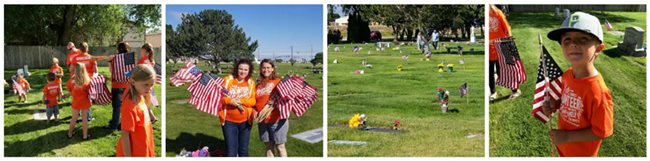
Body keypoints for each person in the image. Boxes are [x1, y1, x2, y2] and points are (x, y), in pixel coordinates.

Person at [542, 12, 613, 157]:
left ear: (599, 48)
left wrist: (567, 137)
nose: (573, 44)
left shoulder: (598, 91)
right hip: (564, 148)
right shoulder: (567, 75)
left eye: (583, 39)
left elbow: (601, 131)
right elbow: (567, 98)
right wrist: (555, 104)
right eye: (567, 39)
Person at [116, 64, 157, 157]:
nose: (149, 88)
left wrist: (150, 112)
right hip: (135, 152)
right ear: (133, 82)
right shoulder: (130, 106)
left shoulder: (140, 94)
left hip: (144, 146)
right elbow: (125, 135)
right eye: (146, 84)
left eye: (151, 85)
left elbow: (145, 105)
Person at [218, 58, 256, 157]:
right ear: (237, 69)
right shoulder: (228, 80)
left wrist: (240, 101)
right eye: (240, 69)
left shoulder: (251, 83)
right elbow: (220, 97)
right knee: (231, 151)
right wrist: (230, 101)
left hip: (245, 122)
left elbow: (253, 101)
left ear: (249, 71)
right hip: (229, 122)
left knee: (243, 150)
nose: (242, 71)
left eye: (245, 70)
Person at [253, 59, 287, 157]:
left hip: (277, 119)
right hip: (262, 120)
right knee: (268, 146)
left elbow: (286, 97)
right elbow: (256, 101)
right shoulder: (258, 84)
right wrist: (255, 110)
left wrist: (276, 101)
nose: (266, 70)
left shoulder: (278, 81)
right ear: (260, 69)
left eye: (268, 67)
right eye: (263, 67)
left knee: (280, 146)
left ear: (272, 69)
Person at [489, 5, 521, 101]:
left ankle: (515, 90)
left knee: (505, 70)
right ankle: (493, 92)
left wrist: (510, 43)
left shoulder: (497, 13)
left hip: (501, 46)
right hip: (489, 49)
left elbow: (507, 28)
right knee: (489, 72)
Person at [103, 42, 131, 130]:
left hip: (116, 85)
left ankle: (114, 125)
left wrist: (109, 62)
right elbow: (131, 72)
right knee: (125, 106)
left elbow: (112, 71)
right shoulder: (129, 57)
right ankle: (122, 123)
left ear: (118, 49)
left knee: (116, 106)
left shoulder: (114, 58)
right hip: (127, 85)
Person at [70, 42, 96, 121]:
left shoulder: (75, 58)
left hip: (77, 81)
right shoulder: (91, 57)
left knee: (76, 97)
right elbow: (96, 71)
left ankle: (77, 114)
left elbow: (71, 69)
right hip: (88, 82)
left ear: (79, 49)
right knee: (87, 98)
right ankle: (87, 117)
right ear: (87, 48)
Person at [66, 63, 92, 140]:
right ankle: (85, 136)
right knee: (84, 119)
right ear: (84, 69)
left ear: (75, 70)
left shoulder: (71, 81)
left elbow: (69, 89)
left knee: (74, 118)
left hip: (76, 102)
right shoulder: (87, 81)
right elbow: (89, 91)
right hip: (85, 102)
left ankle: (69, 134)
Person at [137, 43, 159, 107]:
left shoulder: (141, 61)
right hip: (150, 81)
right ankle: (154, 103)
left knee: (143, 102)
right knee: (149, 97)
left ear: (144, 51)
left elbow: (137, 71)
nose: (141, 52)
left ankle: (149, 112)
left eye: (142, 51)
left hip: (143, 82)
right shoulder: (152, 61)